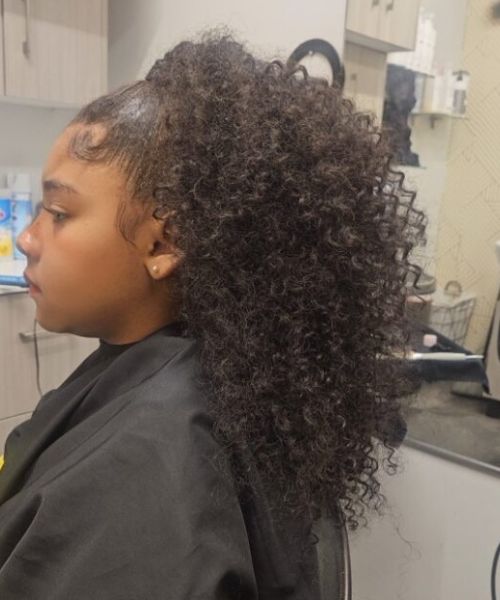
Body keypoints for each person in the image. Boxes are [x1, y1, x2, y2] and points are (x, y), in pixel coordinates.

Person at [0, 29, 425, 599]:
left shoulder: (149, 462)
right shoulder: (208, 379)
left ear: (164, 242)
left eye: (57, 212)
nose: (27, 238)